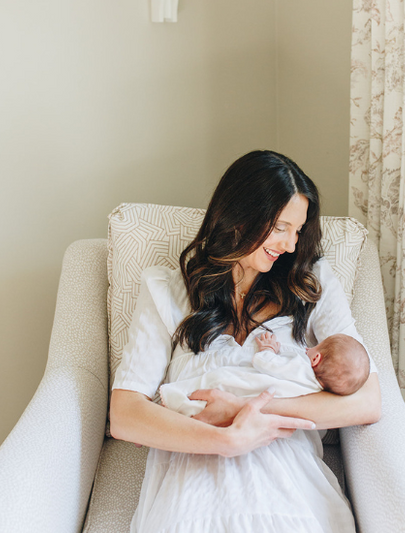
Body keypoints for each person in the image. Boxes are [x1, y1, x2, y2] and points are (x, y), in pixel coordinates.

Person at [110, 150, 381, 533]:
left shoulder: (310, 282)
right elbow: (124, 414)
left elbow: (368, 400)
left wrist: (245, 410)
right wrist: (224, 440)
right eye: (280, 228)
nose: (290, 245)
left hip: (287, 470)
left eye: (298, 230)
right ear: (239, 218)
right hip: (196, 464)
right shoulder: (167, 291)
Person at [158, 329, 370, 418]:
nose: (308, 349)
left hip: (247, 386)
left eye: (316, 348)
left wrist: (269, 350)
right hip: (256, 404)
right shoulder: (315, 391)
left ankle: (167, 400)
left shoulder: (301, 365)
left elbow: (264, 363)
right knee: (204, 401)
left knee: (212, 381)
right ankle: (174, 410)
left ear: (315, 359)